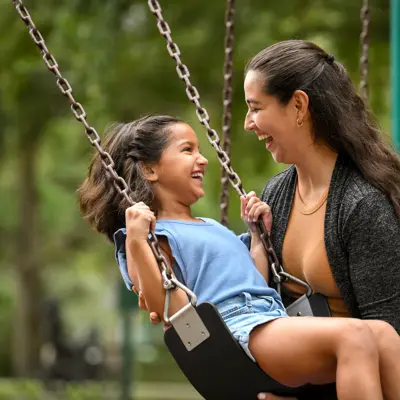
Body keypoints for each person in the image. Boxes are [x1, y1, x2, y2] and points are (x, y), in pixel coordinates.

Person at [78, 114, 400, 400]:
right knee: (354, 336)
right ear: (150, 169)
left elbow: (254, 282)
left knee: (383, 335)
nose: (202, 160)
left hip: (271, 319)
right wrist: (135, 239)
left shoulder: (209, 226)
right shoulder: (150, 234)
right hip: (235, 334)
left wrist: (258, 237)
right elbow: (166, 306)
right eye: (187, 150)